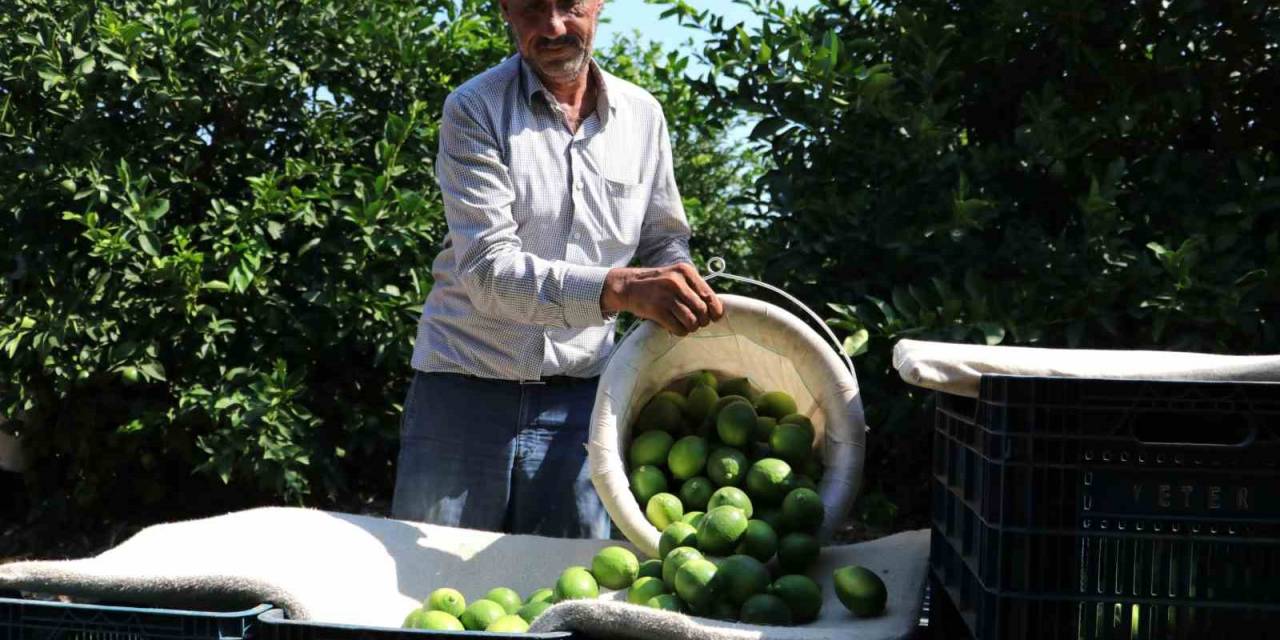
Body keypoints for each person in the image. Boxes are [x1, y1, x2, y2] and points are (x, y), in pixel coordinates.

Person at [390, 0, 725, 538]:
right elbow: (486, 268)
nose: (553, 28)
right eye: (529, 9)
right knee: (432, 590)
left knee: (571, 592)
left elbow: (664, 238)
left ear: (598, 3)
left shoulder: (642, 117)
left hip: (583, 403)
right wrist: (619, 287)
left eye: (568, 5)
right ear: (504, 10)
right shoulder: (475, 108)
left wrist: (678, 279)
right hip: (463, 396)